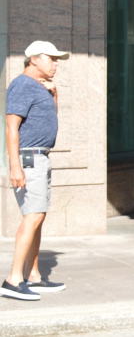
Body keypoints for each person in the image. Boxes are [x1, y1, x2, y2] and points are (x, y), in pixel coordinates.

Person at [3, 41, 70, 301]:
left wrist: (54, 96)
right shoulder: (22, 85)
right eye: (51, 59)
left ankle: (33, 276)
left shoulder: (39, 87)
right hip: (29, 159)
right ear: (34, 59)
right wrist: (15, 166)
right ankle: (12, 279)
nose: (55, 64)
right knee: (32, 217)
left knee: (37, 217)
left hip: (39, 157)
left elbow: (49, 120)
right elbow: (10, 128)